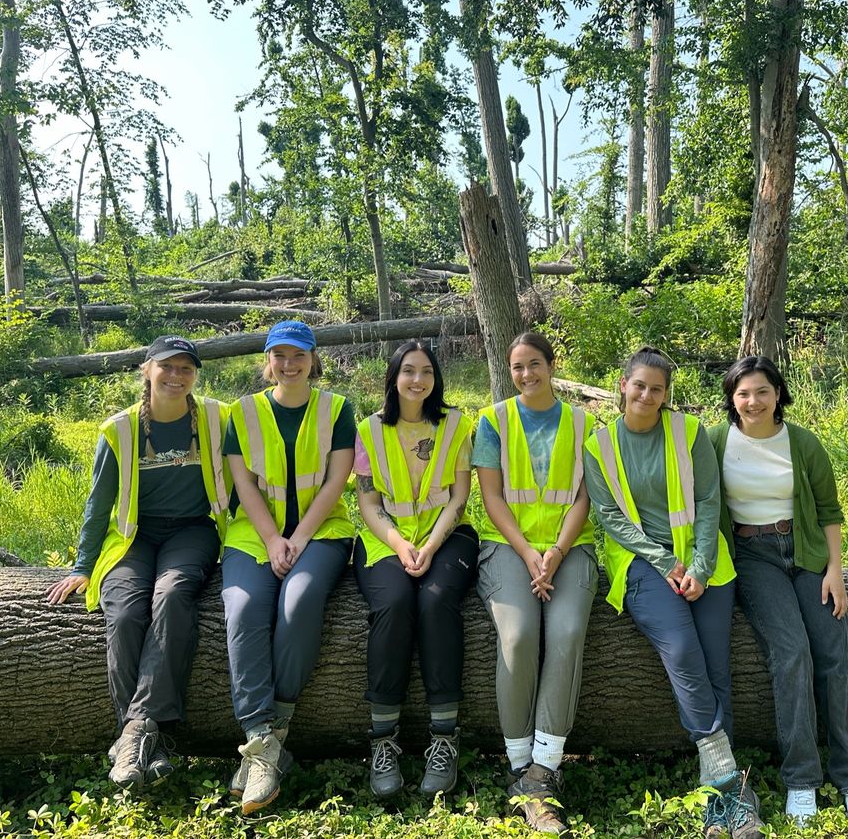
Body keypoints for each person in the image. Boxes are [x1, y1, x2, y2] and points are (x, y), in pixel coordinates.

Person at [583, 346, 763, 839]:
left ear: (666, 395)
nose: (646, 394)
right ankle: (727, 775)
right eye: (638, 384)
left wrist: (701, 566)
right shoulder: (598, 445)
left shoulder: (688, 432)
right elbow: (611, 517)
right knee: (682, 649)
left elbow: (708, 500)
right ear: (622, 385)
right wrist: (665, 562)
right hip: (643, 566)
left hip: (706, 565)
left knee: (715, 665)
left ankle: (720, 800)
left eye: (657, 389)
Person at [46, 336, 230, 790]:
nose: (176, 376)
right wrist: (83, 564)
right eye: (166, 366)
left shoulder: (214, 417)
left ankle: (131, 733)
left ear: (195, 376)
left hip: (192, 530)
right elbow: (98, 502)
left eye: (186, 368)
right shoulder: (120, 429)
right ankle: (152, 738)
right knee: (126, 612)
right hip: (134, 536)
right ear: (147, 370)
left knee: (171, 596)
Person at [710, 355, 848, 834]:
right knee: (791, 652)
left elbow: (829, 509)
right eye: (742, 393)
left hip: (804, 551)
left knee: (834, 653)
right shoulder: (717, 441)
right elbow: (700, 500)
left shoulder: (802, 442)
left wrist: (835, 570)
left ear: (778, 394)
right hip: (751, 556)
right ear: (731, 399)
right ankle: (802, 779)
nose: (752, 401)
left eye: (762, 391)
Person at [220, 321, 356, 814]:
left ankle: (271, 738)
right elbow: (246, 486)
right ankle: (260, 738)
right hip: (254, 534)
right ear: (268, 361)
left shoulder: (338, 409)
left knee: (297, 604)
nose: (289, 364)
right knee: (242, 609)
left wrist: (296, 540)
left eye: (298, 355)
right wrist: (273, 538)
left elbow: (337, 480)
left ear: (312, 359)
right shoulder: (243, 413)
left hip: (321, 533)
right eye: (279, 355)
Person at [473, 333, 598, 835]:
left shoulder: (585, 423)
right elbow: (491, 495)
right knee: (519, 635)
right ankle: (517, 759)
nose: (525, 375)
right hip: (507, 545)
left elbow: (587, 496)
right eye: (517, 367)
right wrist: (528, 553)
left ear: (552, 365)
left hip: (570, 547)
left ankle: (545, 768)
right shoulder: (493, 420)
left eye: (534, 365)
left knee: (565, 633)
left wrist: (555, 553)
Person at [352, 340, 478, 798]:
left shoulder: (457, 425)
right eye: (408, 371)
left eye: (426, 371)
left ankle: (444, 738)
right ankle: (383, 742)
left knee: (435, 599)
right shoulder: (368, 431)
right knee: (395, 603)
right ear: (394, 378)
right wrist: (401, 543)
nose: (418, 380)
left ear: (436, 379)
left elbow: (460, 497)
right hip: (385, 540)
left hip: (448, 536)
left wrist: (429, 544)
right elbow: (367, 502)